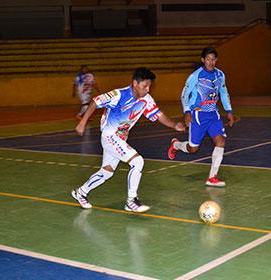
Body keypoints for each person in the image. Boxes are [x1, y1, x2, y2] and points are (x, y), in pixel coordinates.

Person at [72, 67, 185, 212]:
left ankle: (81, 192)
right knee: (138, 161)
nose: (148, 89)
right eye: (145, 86)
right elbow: (95, 102)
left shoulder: (146, 100)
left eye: (149, 86)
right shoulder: (119, 95)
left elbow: (159, 115)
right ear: (135, 84)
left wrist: (175, 125)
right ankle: (131, 201)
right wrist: (82, 122)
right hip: (109, 135)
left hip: (120, 138)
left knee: (107, 171)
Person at [167, 47, 234, 187]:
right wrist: (186, 111)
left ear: (216, 60)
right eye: (208, 59)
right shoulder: (195, 76)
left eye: (213, 59)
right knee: (193, 149)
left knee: (221, 142)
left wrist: (229, 110)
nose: (211, 62)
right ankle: (176, 145)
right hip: (198, 114)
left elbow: (223, 92)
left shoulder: (220, 75)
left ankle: (212, 177)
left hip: (213, 115)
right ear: (203, 60)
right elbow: (184, 95)